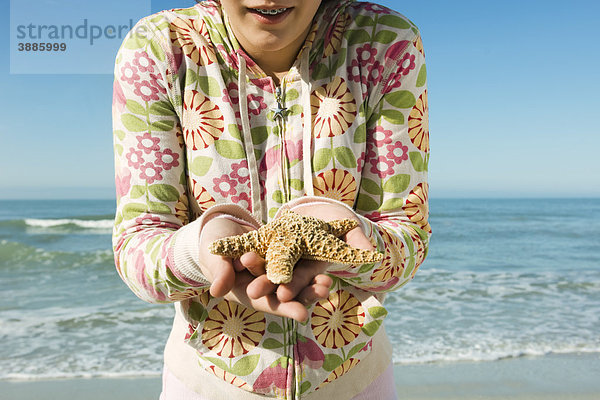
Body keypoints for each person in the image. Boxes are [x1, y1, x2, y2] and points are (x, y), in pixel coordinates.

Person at [111, 0, 431, 398]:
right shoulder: (160, 47)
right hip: (205, 383)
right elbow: (137, 245)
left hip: (356, 381)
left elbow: (408, 238)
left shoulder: (385, 42)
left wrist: (346, 230)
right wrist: (202, 250)